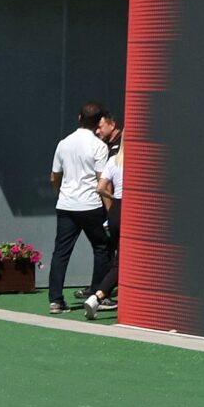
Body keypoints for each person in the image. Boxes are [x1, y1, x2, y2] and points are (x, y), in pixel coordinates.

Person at [47, 100, 113, 316]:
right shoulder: (99, 147)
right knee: (102, 248)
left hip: (66, 205)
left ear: (79, 118)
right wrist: (110, 211)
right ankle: (97, 295)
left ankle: (55, 300)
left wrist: (61, 194)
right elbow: (102, 181)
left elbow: (54, 177)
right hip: (91, 205)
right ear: (98, 123)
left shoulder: (63, 143)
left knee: (61, 252)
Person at [89, 121, 124, 319]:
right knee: (123, 261)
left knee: (118, 256)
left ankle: (100, 295)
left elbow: (100, 188)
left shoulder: (113, 161)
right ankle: (98, 295)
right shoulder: (138, 162)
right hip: (129, 211)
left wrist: (113, 199)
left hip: (115, 211)